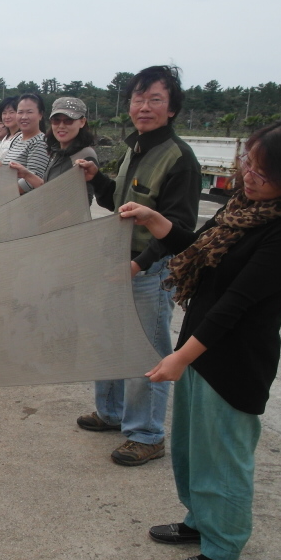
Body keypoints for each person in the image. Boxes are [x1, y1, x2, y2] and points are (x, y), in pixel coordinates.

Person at [119, 118, 281, 560]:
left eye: (264, 171)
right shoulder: (242, 208)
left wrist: (180, 357)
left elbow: (236, 304)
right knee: (193, 448)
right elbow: (197, 247)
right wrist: (155, 220)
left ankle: (223, 550)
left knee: (223, 456)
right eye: (248, 163)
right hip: (201, 346)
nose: (249, 176)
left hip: (235, 359)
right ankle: (200, 521)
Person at [75, 65, 202, 466]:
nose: (144, 107)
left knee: (147, 350)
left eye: (155, 100)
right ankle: (112, 412)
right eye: (138, 99)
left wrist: (139, 265)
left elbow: (179, 230)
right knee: (111, 339)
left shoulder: (179, 158)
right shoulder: (136, 148)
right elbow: (118, 202)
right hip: (119, 262)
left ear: (172, 108)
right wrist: (97, 178)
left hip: (151, 269)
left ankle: (146, 434)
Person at [0, 93, 49, 192]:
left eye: (29, 112)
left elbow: (32, 182)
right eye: (20, 112)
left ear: (40, 115)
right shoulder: (18, 138)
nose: (24, 117)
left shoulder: (40, 141)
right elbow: (5, 171)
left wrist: (1, 192)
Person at [43, 96, 97, 201]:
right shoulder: (58, 152)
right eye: (56, 120)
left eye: (68, 120)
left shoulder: (84, 155)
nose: (61, 126)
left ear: (82, 122)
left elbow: (82, 201)